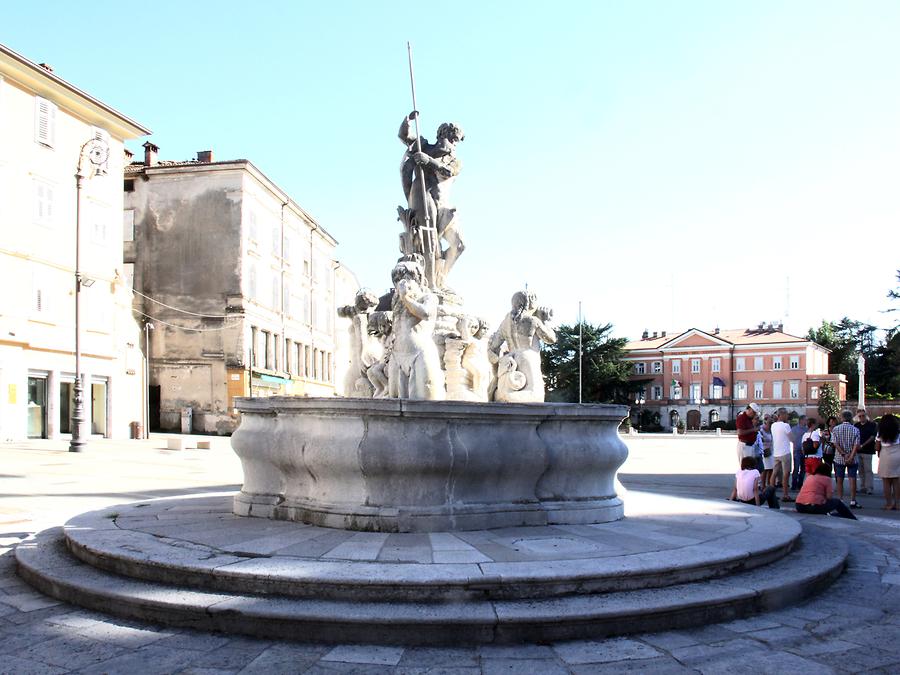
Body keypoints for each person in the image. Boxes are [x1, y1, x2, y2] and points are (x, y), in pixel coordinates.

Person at [398, 113, 465, 289]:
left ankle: (441, 277)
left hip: (443, 205)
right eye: (453, 139)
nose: (454, 144)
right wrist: (407, 123)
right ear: (443, 135)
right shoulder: (425, 146)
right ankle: (429, 283)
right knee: (428, 238)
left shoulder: (455, 160)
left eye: (456, 141)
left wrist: (428, 161)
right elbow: (405, 137)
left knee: (459, 245)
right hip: (423, 195)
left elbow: (448, 172)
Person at [832, 410, 861, 508]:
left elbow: (835, 443)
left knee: (839, 480)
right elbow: (856, 445)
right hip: (852, 459)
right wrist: (851, 456)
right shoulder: (855, 429)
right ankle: (853, 500)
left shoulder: (836, 429)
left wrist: (844, 455)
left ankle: (840, 499)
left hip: (839, 458)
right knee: (852, 479)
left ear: (842, 417)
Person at [876, 413, 900, 510]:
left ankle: (889, 503)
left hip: (885, 456)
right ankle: (898, 503)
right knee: (897, 481)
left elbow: (877, 447)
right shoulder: (898, 433)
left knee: (886, 481)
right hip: (898, 456)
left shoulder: (880, 434)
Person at [770, 408, 794, 502]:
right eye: (786, 414)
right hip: (785, 452)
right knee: (786, 474)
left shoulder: (773, 425)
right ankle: (785, 495)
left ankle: (771, 493)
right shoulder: (786, 425)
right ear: (782, 415)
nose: (787, 416)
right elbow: (792, 438)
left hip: (776, 452)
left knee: (774, 473)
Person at [855, 408, 878, 496]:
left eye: (863, 416)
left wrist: (863, 445)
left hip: (868, 450)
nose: (861, 417)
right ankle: (863, 486)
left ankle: (869, 488)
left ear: (866, 415)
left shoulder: (872, 425)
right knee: (860, 470)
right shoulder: (856, 425)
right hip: (858, 450)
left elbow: (872, 437)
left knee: (868, 470)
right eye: (860, 416)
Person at [791, 414, 808, 490]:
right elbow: (791, 439)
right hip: (797, 451)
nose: (806, 421)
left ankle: (800, 484)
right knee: (796, 468)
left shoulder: (807, 429)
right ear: (801, 420)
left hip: (804, 451)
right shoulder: (794, 429)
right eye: (805, 420)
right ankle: (794, 484)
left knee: (803, 469)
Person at [758, 416, 774, 486]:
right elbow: (760, 440)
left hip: (771, 451)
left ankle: (768, 484)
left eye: (772, 422)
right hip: (765, 451)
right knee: (765, 469)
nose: (771, 424)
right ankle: (763, 485)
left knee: (771, 469)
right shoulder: (761, 430)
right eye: (769, 422)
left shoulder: (772, 430)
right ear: (765, 422)